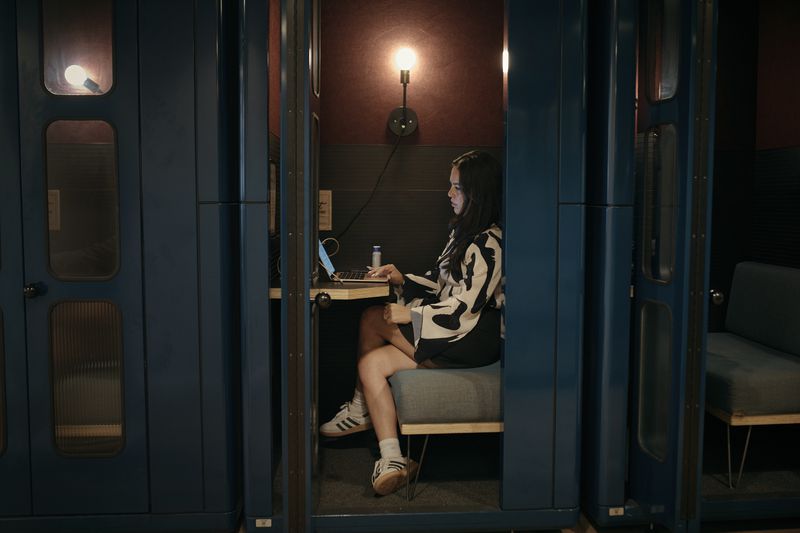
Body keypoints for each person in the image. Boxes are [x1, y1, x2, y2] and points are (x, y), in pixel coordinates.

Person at [320, 150, 504, 496]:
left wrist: (412, 314)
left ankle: (360, 410)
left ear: (477, 193)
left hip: (473, 337)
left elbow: (469, 304)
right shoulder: (463, 234)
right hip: (456, 333)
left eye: (457, 188)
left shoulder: (489, 242)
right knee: (370, 362)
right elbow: (443, 282)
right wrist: (402, 277)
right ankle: (393, 458)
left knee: (373, 317)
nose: (449, 194)